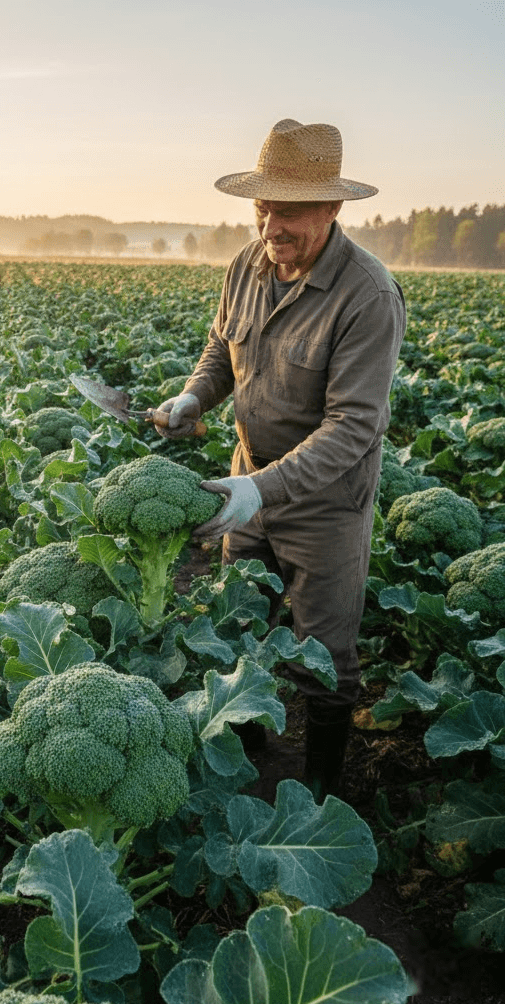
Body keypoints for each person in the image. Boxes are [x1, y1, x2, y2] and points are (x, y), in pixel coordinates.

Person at [157, 119, 406, 802]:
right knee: (241, 627)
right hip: (250, 481)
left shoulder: (367, 295)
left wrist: (261, 490)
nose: (271, 224)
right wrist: (192, 395)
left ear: (333, 208)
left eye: (289, 209)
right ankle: (249, 757)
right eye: (263, 206)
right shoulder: (247, 264)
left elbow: (354, 426)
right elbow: (220, 348)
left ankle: (322, 798)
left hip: (324, 503)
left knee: (324, 658)